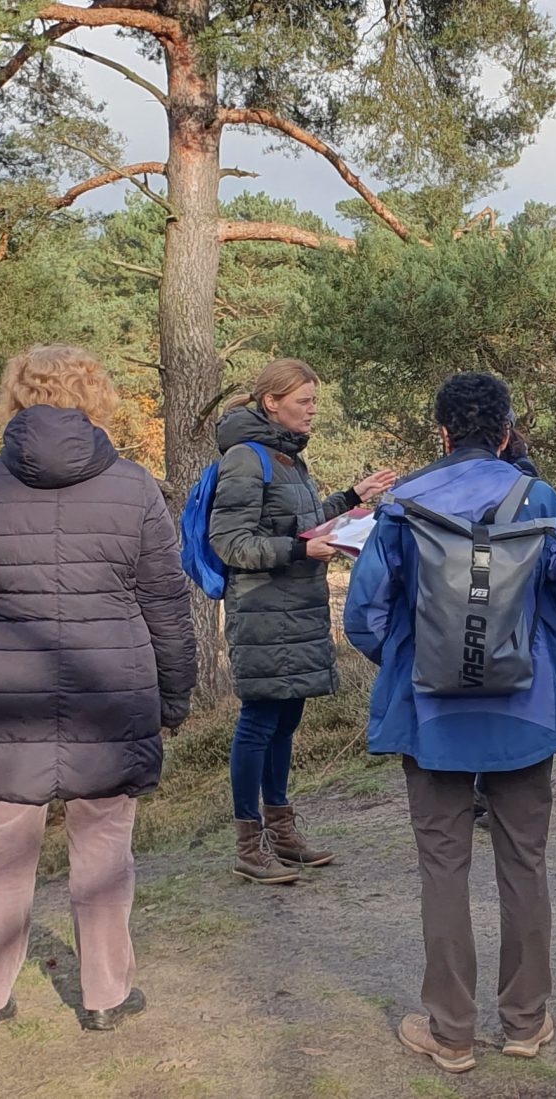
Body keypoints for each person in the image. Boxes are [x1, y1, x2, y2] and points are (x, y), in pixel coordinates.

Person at [0, 345, 195, 1036]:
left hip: (2, 695)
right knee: (104, 850)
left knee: (0, 854)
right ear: (94, 398)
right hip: (112, 694)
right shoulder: (134, 488)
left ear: (14, 397)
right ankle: (104, 993)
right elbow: (168, 605)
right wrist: (174, 697)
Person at [346, 371, 556, 1074]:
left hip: (430, 717)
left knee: (443, 866)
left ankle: (452, 1030)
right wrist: (534, 648)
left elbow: (363, 617)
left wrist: (414, 659)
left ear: (440, 433)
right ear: (505, 431)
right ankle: (525, 1021)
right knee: (524, 860)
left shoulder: (401, 506)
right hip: (524, 712)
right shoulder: (541, 499)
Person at [206, 359, 396, 884]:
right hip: (264, 609)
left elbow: (300, 523)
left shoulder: (286, 458)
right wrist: (298, 548)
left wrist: (353, 500)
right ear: (271, 402)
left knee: (286, 721)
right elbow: (230, 543)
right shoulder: (247, 458)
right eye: (303, 401)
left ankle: (282, 833)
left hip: (293, 607)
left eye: (314, 401)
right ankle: (249, 843)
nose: (312, 410)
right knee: (260, 721)